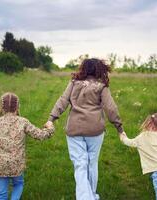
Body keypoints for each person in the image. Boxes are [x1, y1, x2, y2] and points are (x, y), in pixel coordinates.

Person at [45, 58, 125, 200]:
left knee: (80, 165)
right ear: (99, 70)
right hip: (95, 131)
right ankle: (91, 195)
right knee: (92, 163)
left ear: (84, 69)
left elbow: (63, 100)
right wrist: (119, 128)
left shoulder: (74, 83)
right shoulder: (101, 86)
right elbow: (111, 108)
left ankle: (86, 197)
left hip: (74, 129)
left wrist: (52, 119)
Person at [0, 92, 54, 200]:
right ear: (17, 106)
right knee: (18, 184)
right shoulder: (23, 122)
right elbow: (40, 135)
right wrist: (50, 128)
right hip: (17, 164)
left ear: (1, 106)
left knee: (1, 194)